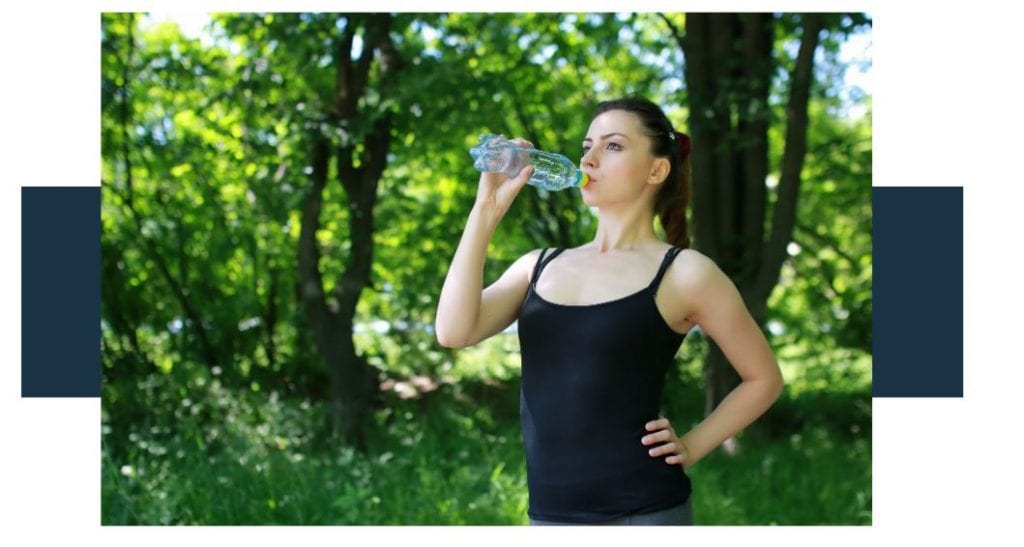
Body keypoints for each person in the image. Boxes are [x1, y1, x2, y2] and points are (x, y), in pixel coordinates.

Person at [435, 97, 784, 525]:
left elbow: (763, 378)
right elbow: (454, 331)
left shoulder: (684, 273)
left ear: (657, 170)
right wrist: (485, 212)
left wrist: (693, 445)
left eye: (613, 146)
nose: (590, 158)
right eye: (587, 146)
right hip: (549, 518)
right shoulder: (538, 265)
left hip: (643, 515)